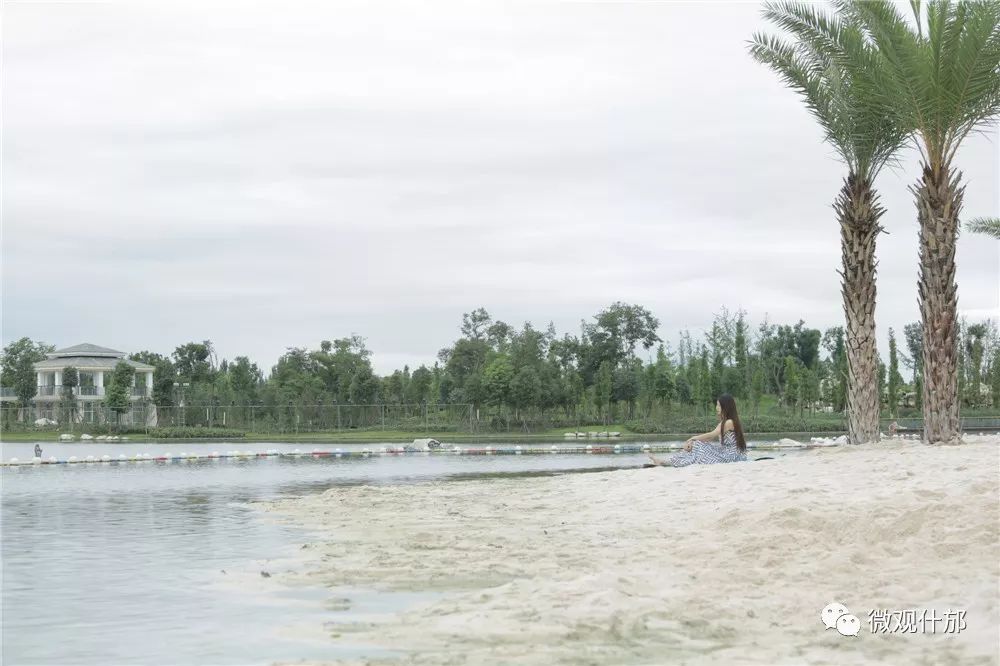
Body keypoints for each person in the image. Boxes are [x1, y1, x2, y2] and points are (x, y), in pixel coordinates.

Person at [648, 394, 747, 467]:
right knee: (698, 445)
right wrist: (693, 442)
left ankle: (667, 462)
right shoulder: (725, 422)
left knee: (698, 445)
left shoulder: (729, 422)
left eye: (719, 405)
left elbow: (711, 435)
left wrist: (693, 438)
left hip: (732, 456)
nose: (716, 408)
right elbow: (708, 439)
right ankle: (668, 461)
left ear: (726, 407)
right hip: (725, 453)